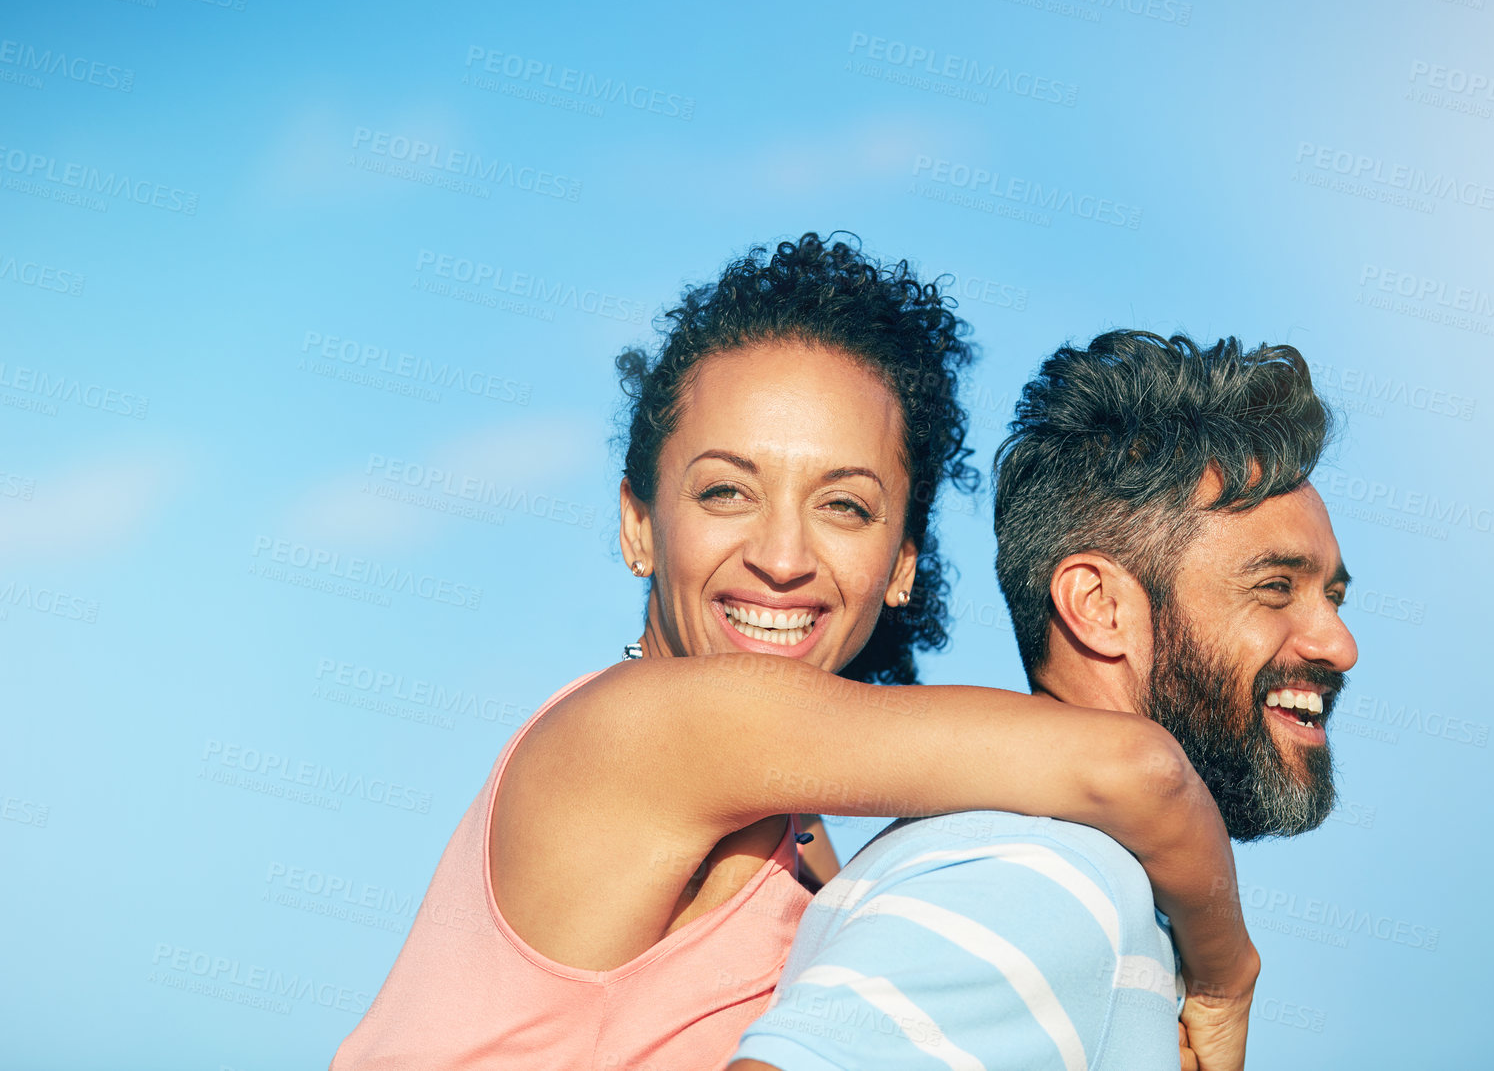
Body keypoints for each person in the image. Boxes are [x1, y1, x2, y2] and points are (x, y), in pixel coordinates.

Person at [331, 243, 1256, 1070]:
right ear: (639, 524)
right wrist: (1223, 978)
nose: (781, 557)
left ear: (902, 564)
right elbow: (1138, 769)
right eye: (728, 491)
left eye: (844, 505)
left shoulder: (808, 849)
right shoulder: (646, 726)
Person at [732, 331, 1355, 1071]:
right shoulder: (1042, 877)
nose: (1338, 644)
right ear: (1098, 605)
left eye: (1333, 596)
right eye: (1275, 588)